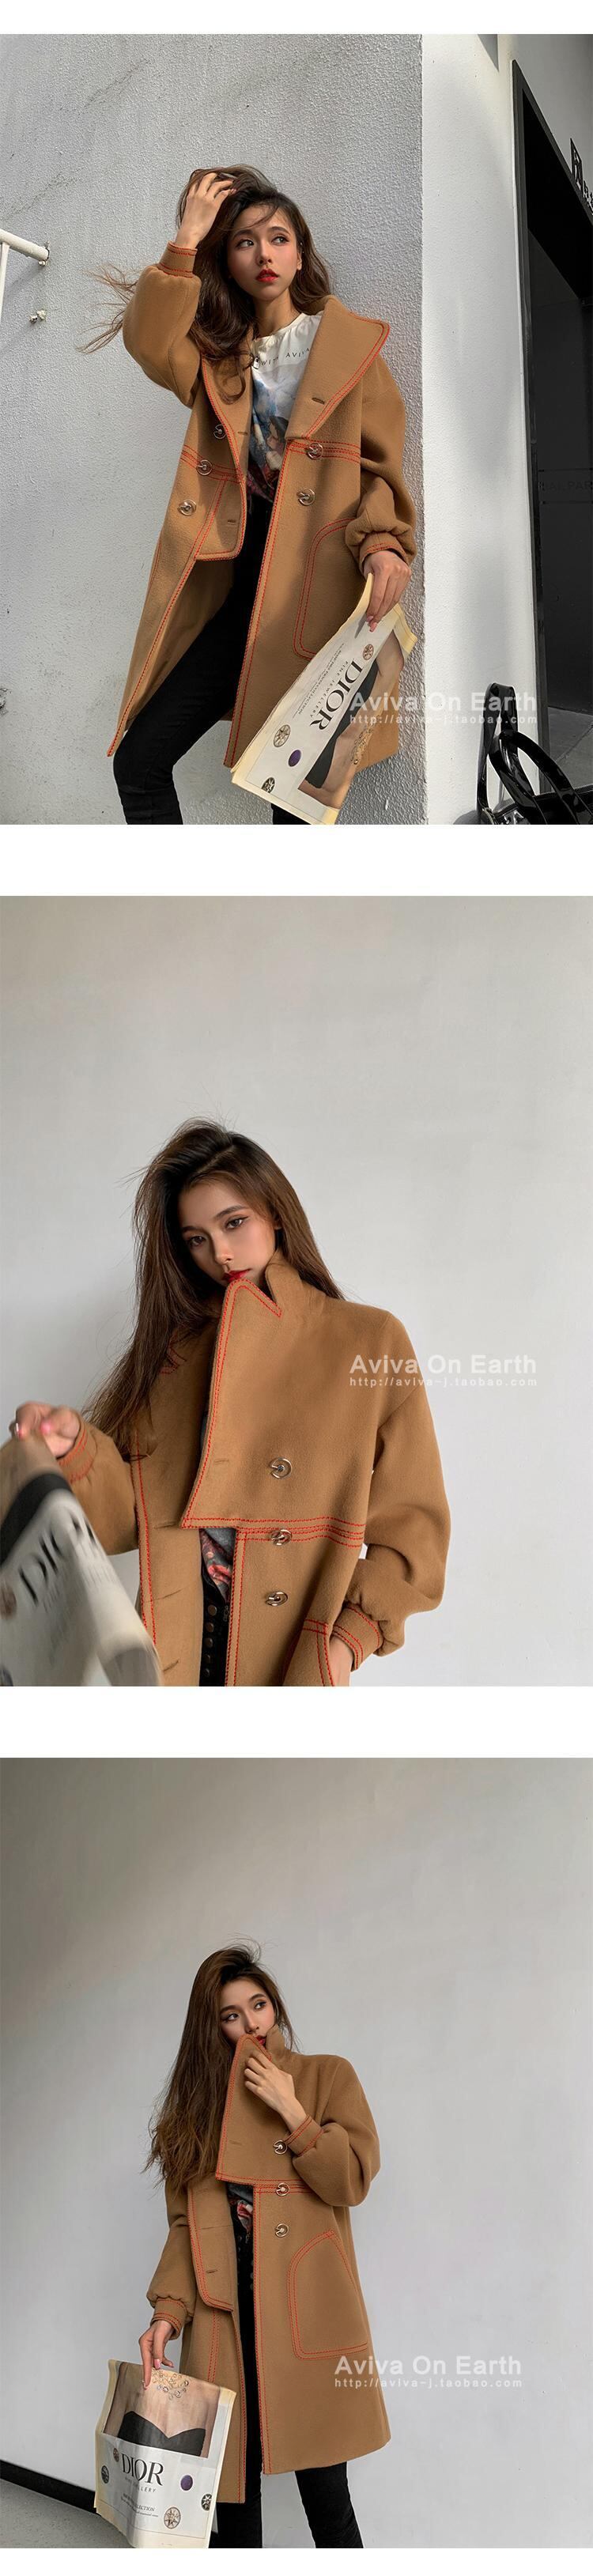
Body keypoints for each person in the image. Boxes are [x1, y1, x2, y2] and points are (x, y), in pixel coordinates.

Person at [9, 1118, 450, 1687]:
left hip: (295, 1655)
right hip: (182, 1649)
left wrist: (344, 1645)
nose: (219, 1252)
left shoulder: (370, 1340)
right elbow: (130, 1522)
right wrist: (73, 1447)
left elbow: (414, 1531)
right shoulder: (175, 1355)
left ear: (276, 1213)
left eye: (234, 1223)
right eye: (196, 1238)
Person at [83, 164, 417, 825]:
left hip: (313, 596)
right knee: (139, 762)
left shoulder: (351, 347)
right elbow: (149, 343)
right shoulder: (217, 360)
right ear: (228, 263)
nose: (264, 254)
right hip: (236, 595)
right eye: (244, 242)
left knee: (289, 799)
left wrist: (384, 541)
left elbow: (379, 465)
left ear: (300, 254)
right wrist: (187, 238)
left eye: (278, 239)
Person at [138, 1943, 391, 2545]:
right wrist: (166, 2314)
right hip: (224, 2323)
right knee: (231, 2508)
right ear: (212, 2028)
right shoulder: (195, 2114)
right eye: (231, 2014)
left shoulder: (326, 2077)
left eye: (259, 2005)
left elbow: (350, 2182)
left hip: (304, 2318)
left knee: (330, 2504)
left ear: (275, 2007)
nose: (251, 2024)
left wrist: (291, 2110)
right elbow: (185, 2228)